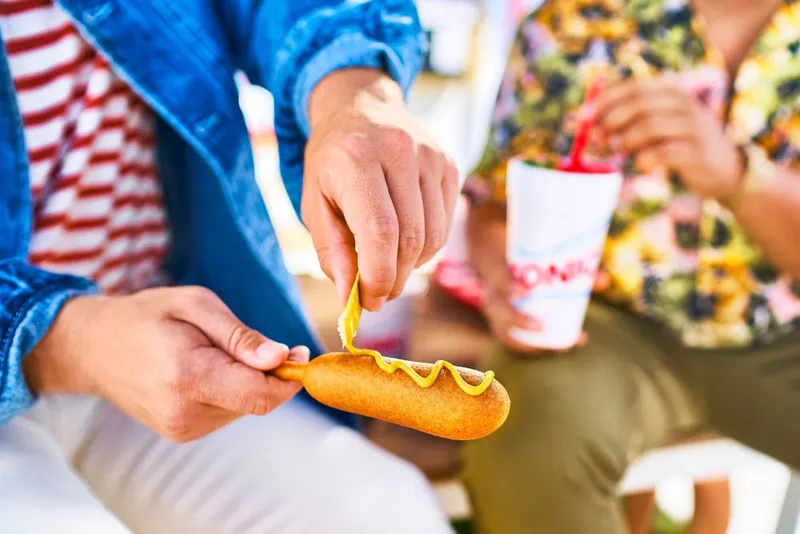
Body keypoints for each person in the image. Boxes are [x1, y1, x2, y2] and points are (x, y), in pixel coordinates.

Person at [0, 1, 459, 533]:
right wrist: (66, 342)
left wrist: (350, 89)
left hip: (161, 336)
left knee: (388, 514)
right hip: (61, 359)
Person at [459, 0, 800, 533]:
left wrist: (737, 176)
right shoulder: (570, 22)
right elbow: (493, 201)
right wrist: (503, 272)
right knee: (525, 431)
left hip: (784, 334)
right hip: (605, 328)